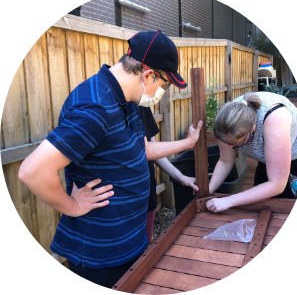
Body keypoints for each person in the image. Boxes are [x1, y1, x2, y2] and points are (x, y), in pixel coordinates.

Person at [18, 30, 203, 288]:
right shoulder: (95, 108)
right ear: (148, 74)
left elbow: (142, 150)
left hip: (128, 241)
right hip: (101, 256)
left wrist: (187, 143)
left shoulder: (127, 99)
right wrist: (73, 206)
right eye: (164, 85)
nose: (162, 92)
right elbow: (33, 172)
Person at [206, 91, 297, 213]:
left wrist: (228, 201)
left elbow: (277, 185)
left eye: (236, 144)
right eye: (227, 143)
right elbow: (225, 161)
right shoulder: (225, 122)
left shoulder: (275, 120)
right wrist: (208, 190)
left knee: (289, 210)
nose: (230, 147)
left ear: (253, 129)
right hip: (266, 158)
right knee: (261, 207)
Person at [138, 106, 199, 243]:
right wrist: (187, 143)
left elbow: (152, 149)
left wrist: (181, 177)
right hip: (122, 205)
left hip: (147, 196)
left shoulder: (143, 107)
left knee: (144, 248)